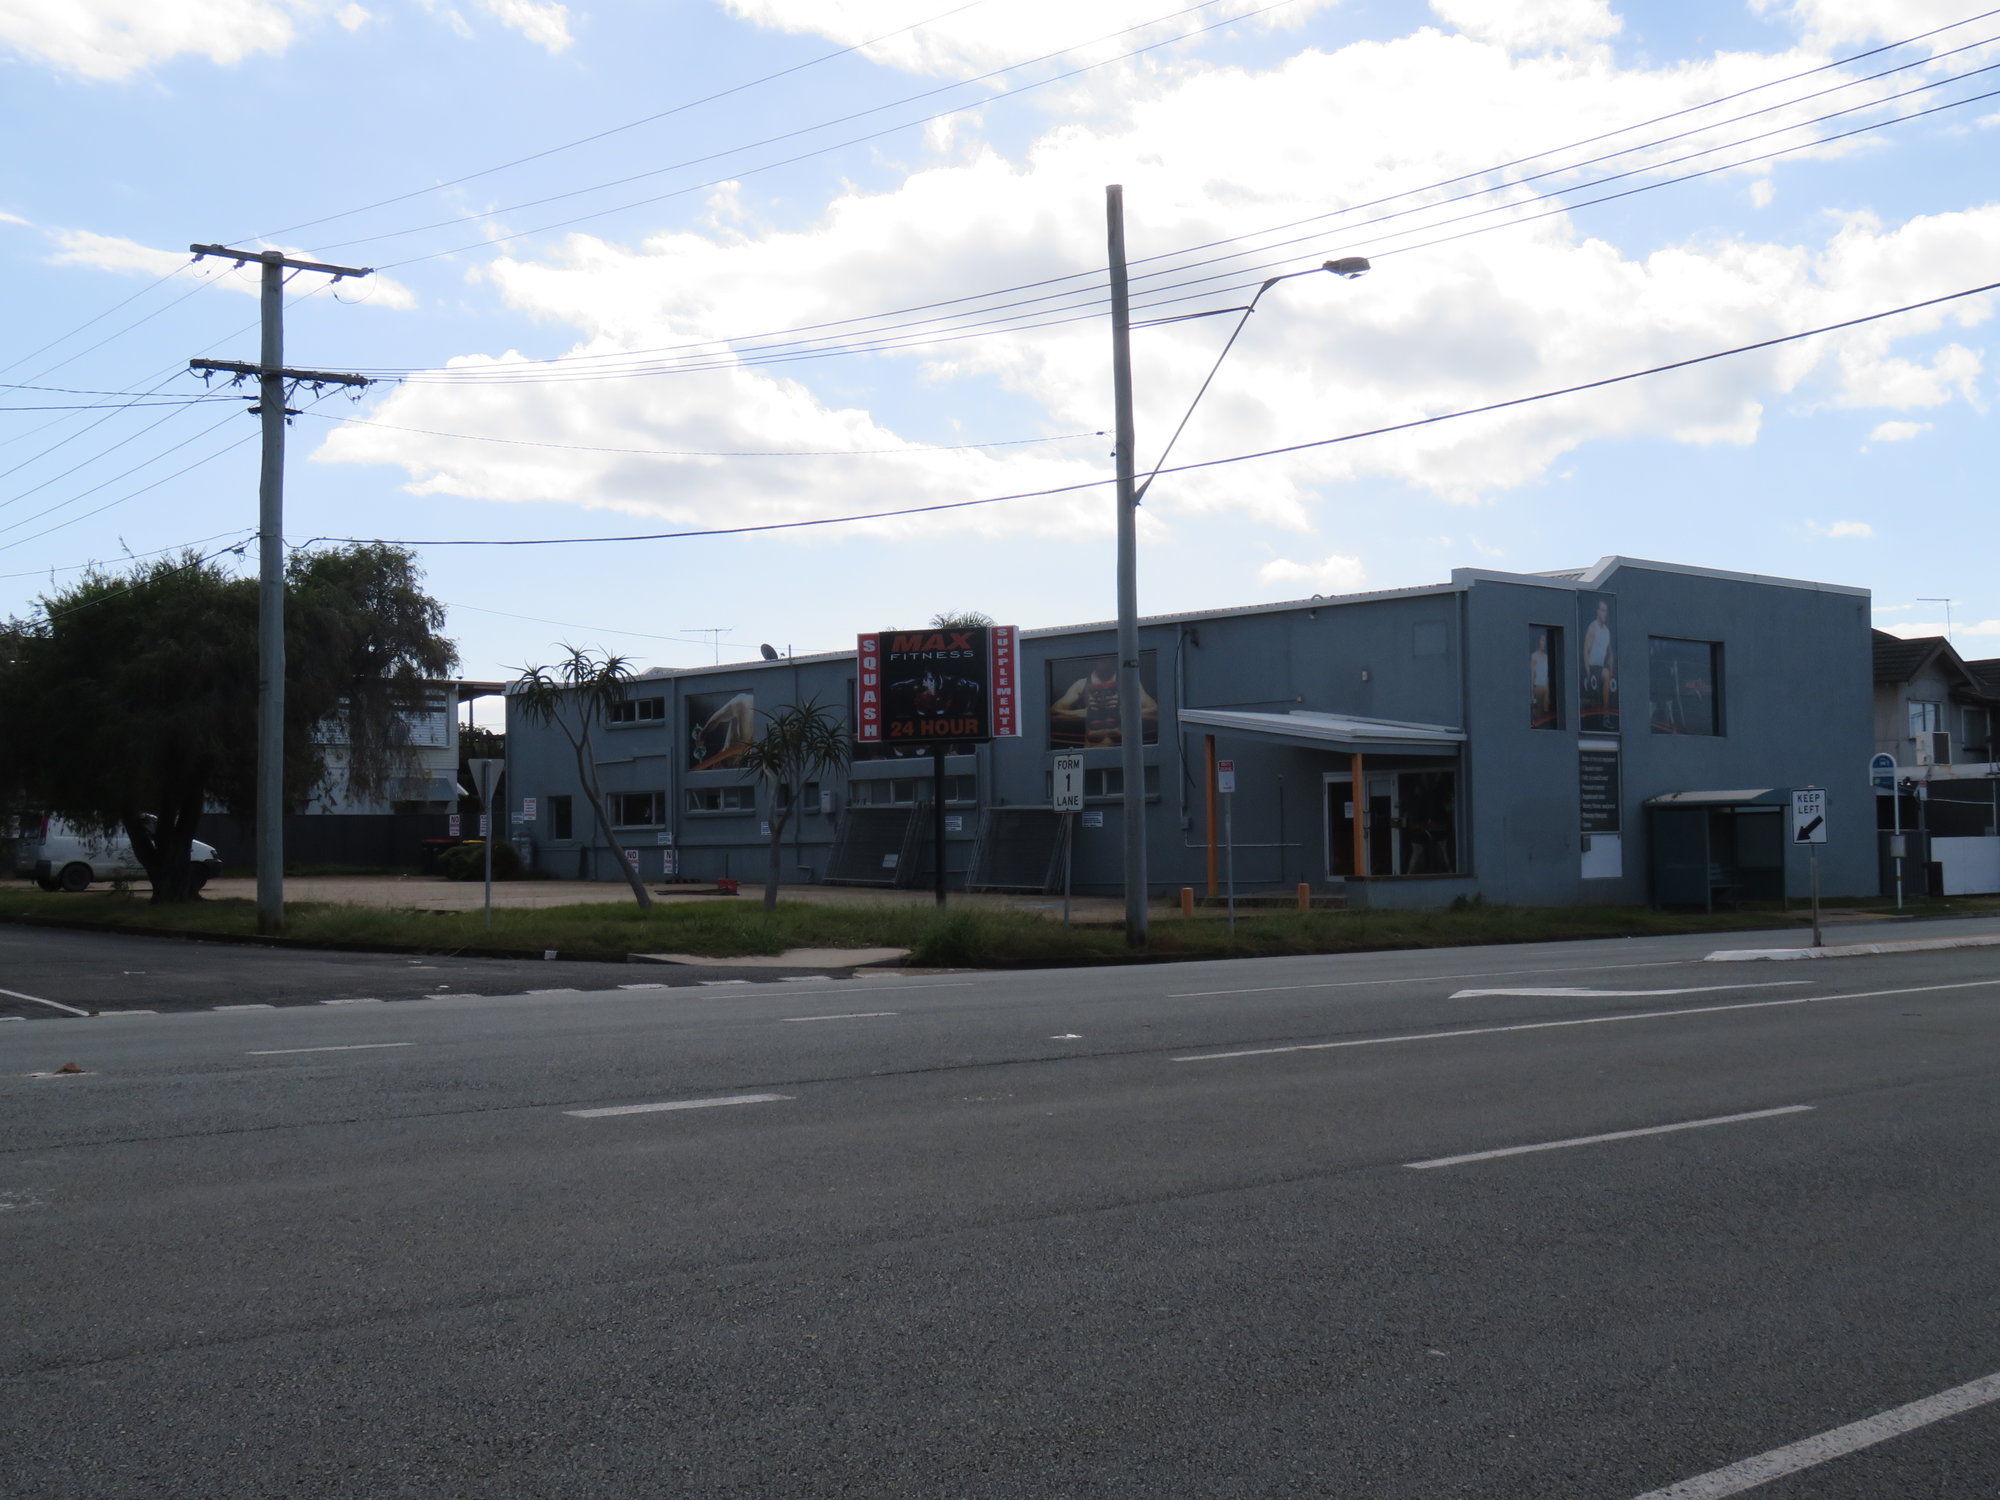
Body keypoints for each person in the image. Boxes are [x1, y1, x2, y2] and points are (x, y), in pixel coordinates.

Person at [1582, 599, 1616, 726]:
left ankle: (1605, 716)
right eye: (1602, 610)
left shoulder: (1607, 631)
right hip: (1591, 667)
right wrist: (1588, 672)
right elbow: (1585, 651)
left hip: (1601, 667)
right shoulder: (1592, 628)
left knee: (1607, 675)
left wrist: (1611, 669)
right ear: (1597, 611)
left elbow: (1610, 652)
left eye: (1606, 611)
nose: (1604, 613)